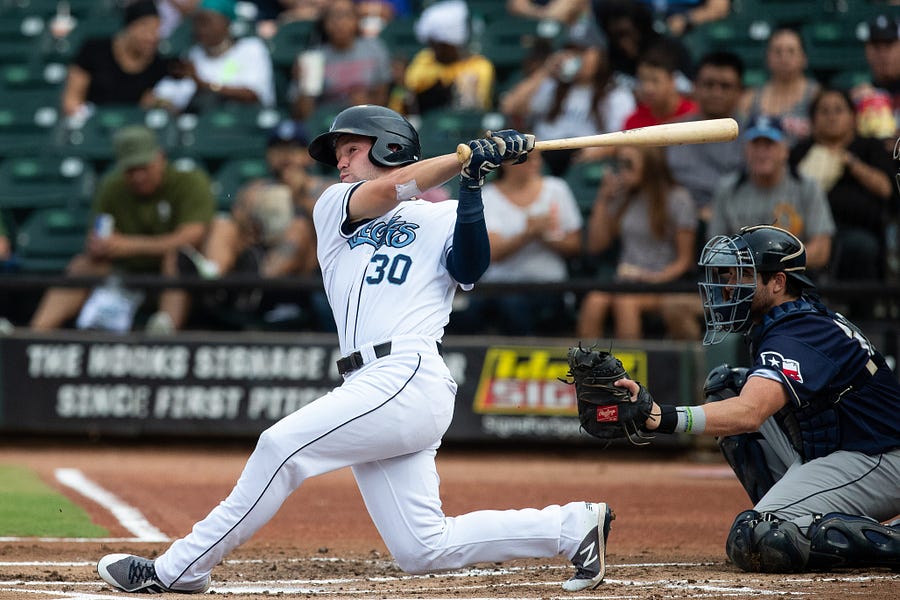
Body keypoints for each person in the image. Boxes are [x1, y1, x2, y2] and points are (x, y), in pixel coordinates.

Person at [95, 105, 615, 594]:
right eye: (338, 152)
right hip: (369, 381)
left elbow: (470, 267)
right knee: (422, 547)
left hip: (407, 371)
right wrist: (463, 159)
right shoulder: (334, 208)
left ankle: (178, 569)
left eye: (350, 149)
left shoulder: (443, 214)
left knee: (281, 448)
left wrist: (474, 181)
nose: (339, 161)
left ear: (388, 146)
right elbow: (390, 191)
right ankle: (572, 527)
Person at [618, 224, 900, 573]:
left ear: (778, 282)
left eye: (743, 275)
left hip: (879, 456)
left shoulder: (800, 331)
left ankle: (890, 542)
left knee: (757, 536)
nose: (729, 285)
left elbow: (751, 413)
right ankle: (788, 511)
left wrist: (662, 417)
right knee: (729, 385)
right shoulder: (790, 319)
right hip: (842, 449)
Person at [28, 125, 215, 333]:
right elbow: (98, 234)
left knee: (177, 258)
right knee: (83, 265)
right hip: (126, 276)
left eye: (143, 167)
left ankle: (164, 333)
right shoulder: (112, 187)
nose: (138, 177)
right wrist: (99, 246)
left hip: (171, 279)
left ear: (160, 157)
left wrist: (129, 245)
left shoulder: (189, 181)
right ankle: (32, 335)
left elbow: (191, 237)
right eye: (130, 170)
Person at [450, 150, 583, 336]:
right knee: (466, 311)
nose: (536, 163)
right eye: (529, 158)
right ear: (507, 163)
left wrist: (544, 235)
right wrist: (528, 234)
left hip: (548, 285)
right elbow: (492, 252)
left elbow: (574, 246)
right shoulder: (488, 195)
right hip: (499, 286)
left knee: (513, 305)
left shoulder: (556, 189)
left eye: (538, 157)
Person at [576, 145, 701, 341]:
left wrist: (653, 278)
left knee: (626, 302)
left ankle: (627, 367)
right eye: (620, 164)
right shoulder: (624, 195)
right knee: (594, 300)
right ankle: (583, 367)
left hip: (662, 282)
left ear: (650, 165)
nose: (622, 170)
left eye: (629, 164)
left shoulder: (678, 199)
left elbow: (684, 261)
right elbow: (596, 245)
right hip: (626, 279)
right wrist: (603, 198)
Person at [500, 17, 635, 176]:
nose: (576, 57)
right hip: (545, 158)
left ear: (599, 54)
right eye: (571, 51)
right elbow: (510, 106)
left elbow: (626, 139)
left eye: (583, 51)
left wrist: (599, 153)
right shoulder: (553, 85)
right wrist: (545, 71)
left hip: (585, 163)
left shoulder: (616, 94)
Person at [789, 87, 896, 283]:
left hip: (856, 229)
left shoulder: (869, 147)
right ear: (813, 119)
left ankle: (863, 312)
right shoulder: (801, 152)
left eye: (839, 110)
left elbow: (886, 189)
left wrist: (851, 163)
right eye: (824, 111)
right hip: (808, 232)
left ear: (853, 117)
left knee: (862, 246)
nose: (831, 117)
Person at [707, 115, 835, 277]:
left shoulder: (807, 187)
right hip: (741, 281)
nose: (761, 153)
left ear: (785, 150)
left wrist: (773, 266)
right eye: (755, 145)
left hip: (795, 280)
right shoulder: (727, 188)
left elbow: (822, 250)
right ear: (745, 150)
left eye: (769, 145)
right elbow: (715, 251)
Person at [149, 0, 275, 114]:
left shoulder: (251, 48)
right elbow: (166, 94)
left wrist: (206, 86)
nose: (200, 29)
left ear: (226, 23)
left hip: (245, 122)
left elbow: (253, 94)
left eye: (206, 22)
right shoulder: (193, 54)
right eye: (197, 22)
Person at [666, 50, 746, 225]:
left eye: (725, 86)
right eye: (709, 84)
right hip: (675, 223)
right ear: (695, 87)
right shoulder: (673, 130)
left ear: (740, 91)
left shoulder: (754, 136)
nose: (716, 92)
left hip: (733, 225)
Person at [61, 0, 171, 118]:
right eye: (145, 29)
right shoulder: (94, 50)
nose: (152, 37)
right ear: (129, 27)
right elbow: (72, 98)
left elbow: (169, 104)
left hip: (134, 130)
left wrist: (156, 103)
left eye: (156, 30)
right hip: (92, 125)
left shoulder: (160, 64)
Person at [289, 0, 392, 120]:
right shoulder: (314, 58)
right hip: (326, 124)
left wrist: (366, 105)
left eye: (346, 15)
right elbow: (304, 116)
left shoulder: (374, 48)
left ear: (357, 20)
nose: (339, 22)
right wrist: (302, 84)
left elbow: (384, 99)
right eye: (333, 16)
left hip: (367, 120)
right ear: (324, 23)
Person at [402, 0, 496, 115]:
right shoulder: (425, 58)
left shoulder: (480, 65)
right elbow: (411, 89)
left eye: (442, 45)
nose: (436, 49)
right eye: (433, 44)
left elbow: (478, 105)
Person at [740, 27, 820, 147]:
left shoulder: (816, 95)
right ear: (768, 58)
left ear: (804, 58)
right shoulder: (749, 99)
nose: (784, 57)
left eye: (791, 51)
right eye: (777, 51)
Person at [622, 40, 698, 131]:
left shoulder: (694, 115)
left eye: (655, 81)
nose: (647, 88)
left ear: (672, 80)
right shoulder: (633, 122)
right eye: (642, 80)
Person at [851, 14, 900, 147]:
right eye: (876, 46)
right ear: (867, 51)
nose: (883, 54)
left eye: (889, 45)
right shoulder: (859, 97)